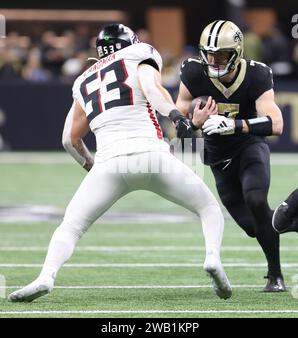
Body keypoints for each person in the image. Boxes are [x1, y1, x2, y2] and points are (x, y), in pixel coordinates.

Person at [8, 23, 231, 302]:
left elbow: (69, 139)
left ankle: (45, 276)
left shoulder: (83, 79)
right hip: (151, 155)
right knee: (208, 207)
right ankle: (212, 258)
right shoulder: (139, 53)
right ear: (130, 41)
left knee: (71, 227)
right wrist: (177, 116)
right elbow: (151, 88)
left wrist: (95, 169)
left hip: (109, 162)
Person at [176, 20, 285, 292]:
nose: (213, 61)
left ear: (236, 52)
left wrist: (236, 124)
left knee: (256, 199)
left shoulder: (257, 74)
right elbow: (178, 122)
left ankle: (275, 275)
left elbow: (276, 124)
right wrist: (195, 122)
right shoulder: (193, 72)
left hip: (249, 147)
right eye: (209, 54)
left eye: (221, 55)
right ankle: (289, 219)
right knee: (253, 226)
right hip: (217, 157)